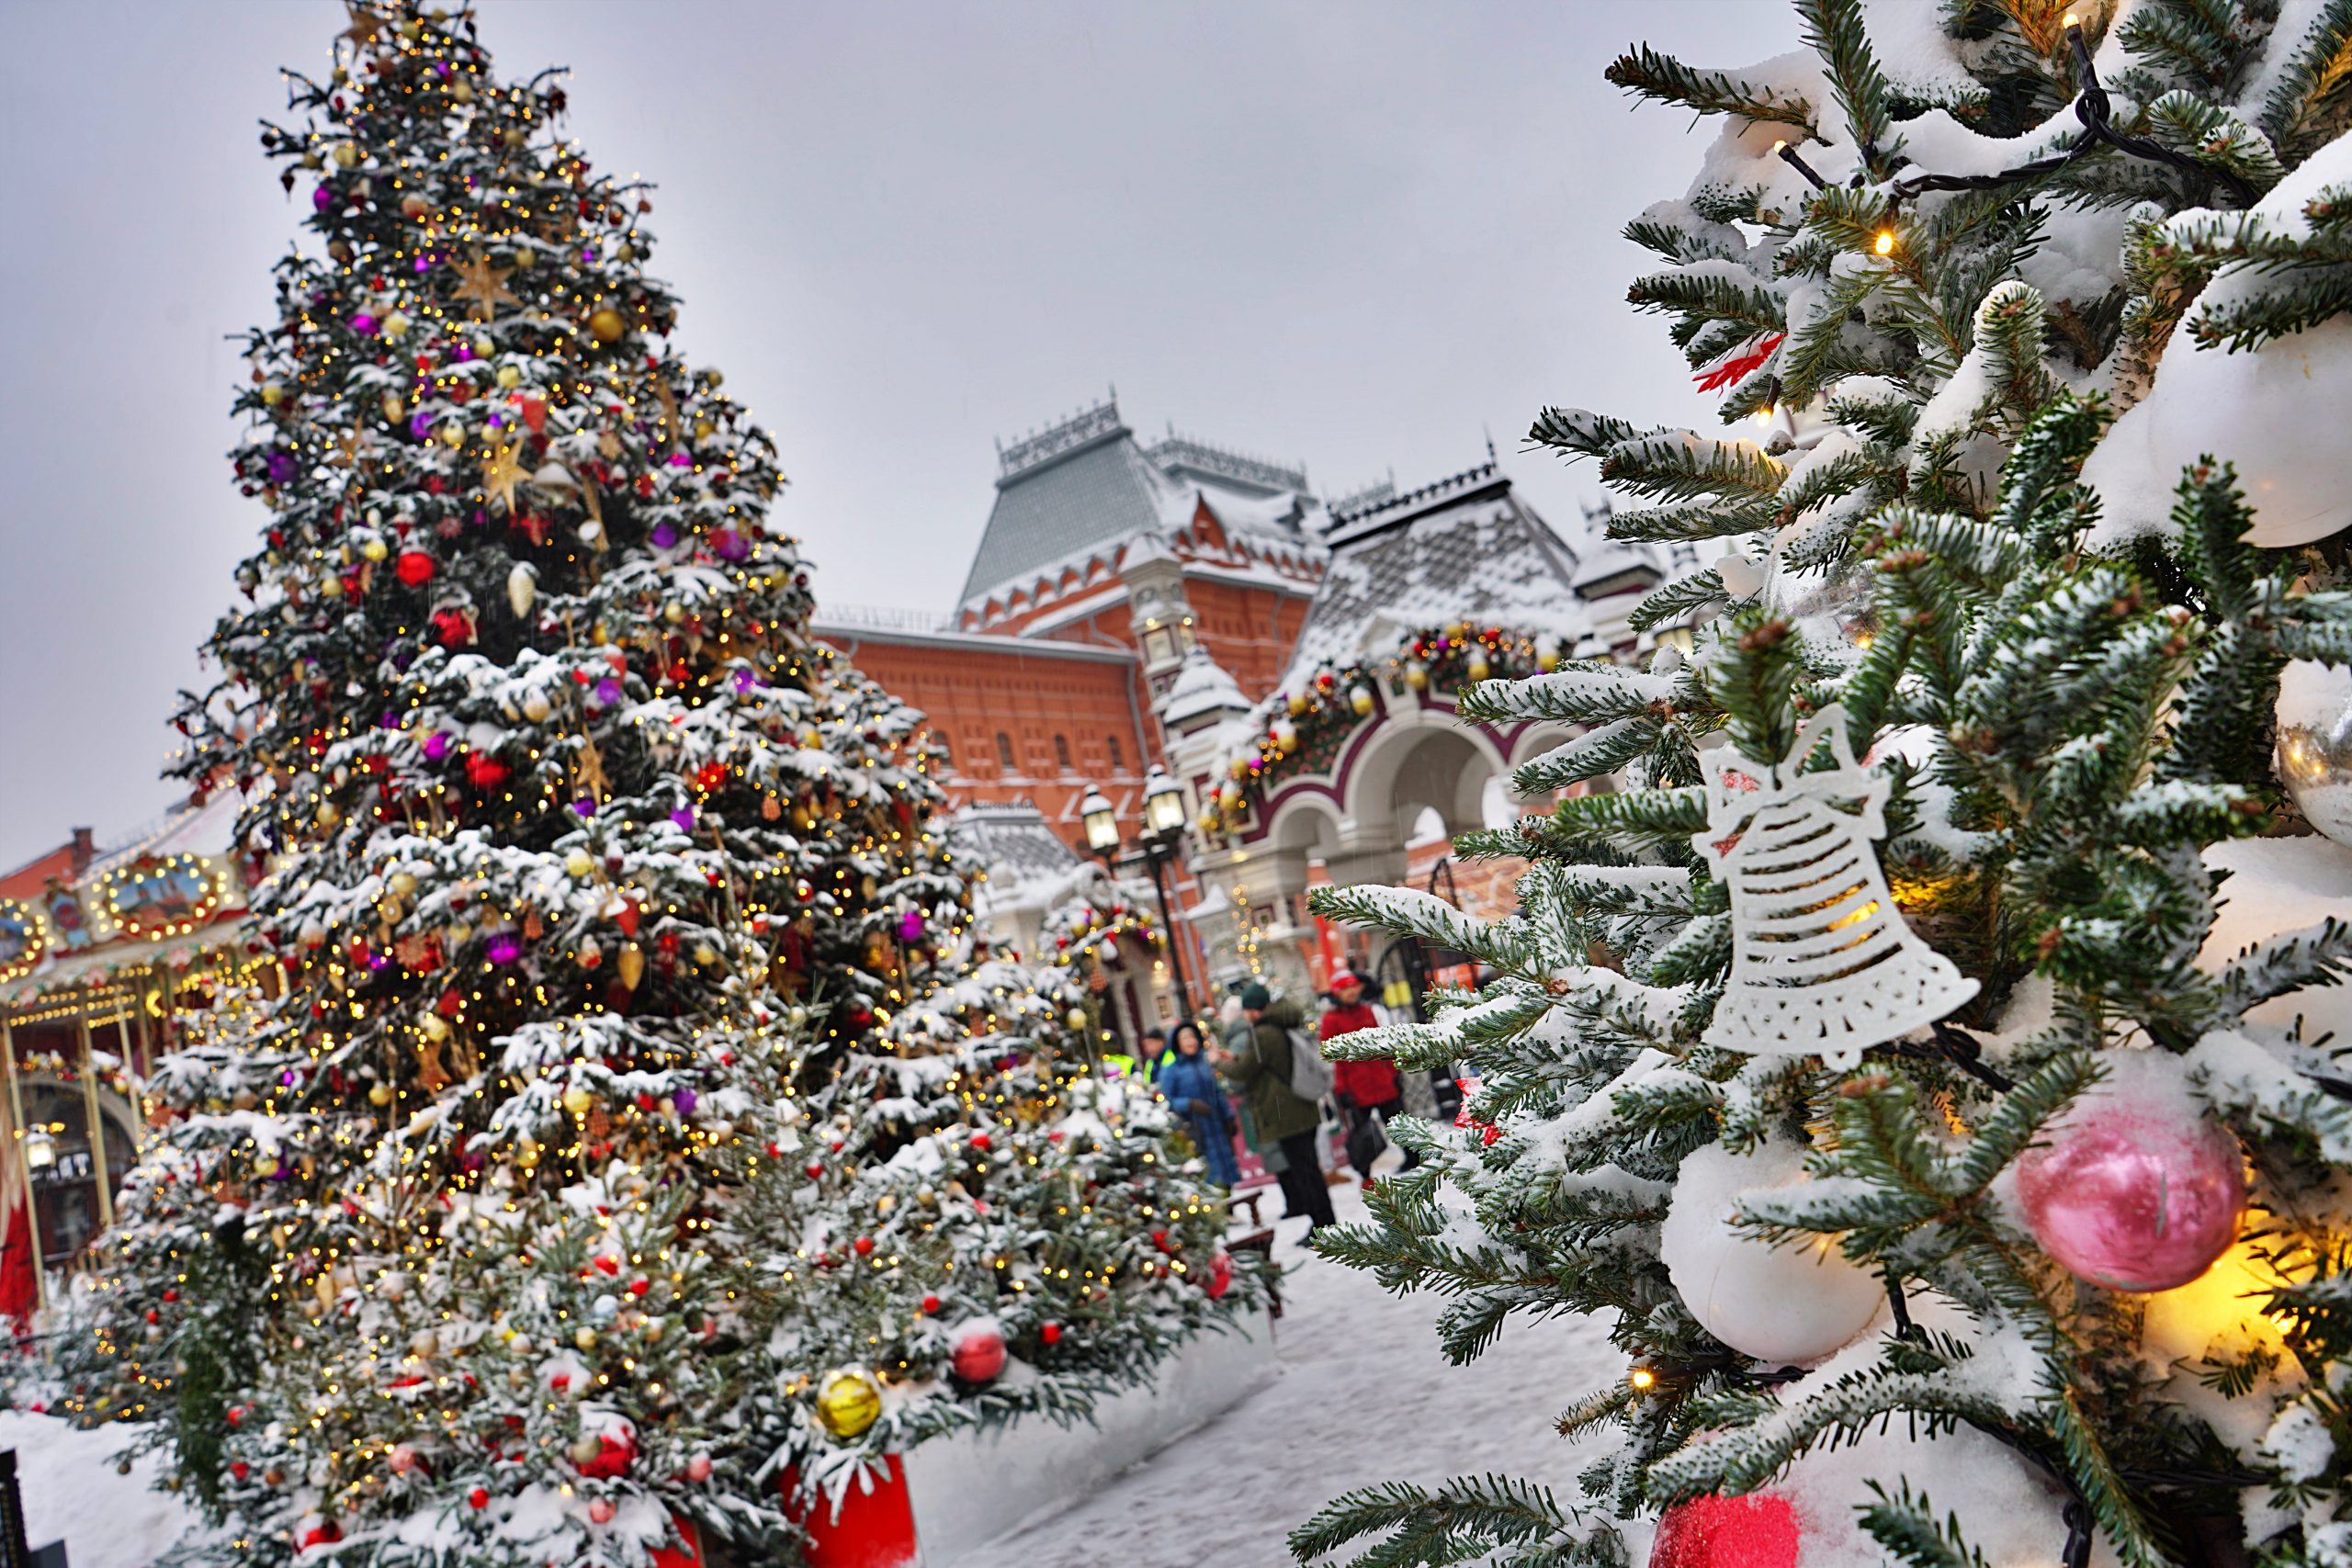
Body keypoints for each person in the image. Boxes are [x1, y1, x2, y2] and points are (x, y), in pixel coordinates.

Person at [1213, 982, 1337, 1235]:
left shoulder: (1262, 1034)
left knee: (1305, 1172)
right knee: (1310, 1169)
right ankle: (1324, 1221)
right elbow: (1262, 1064)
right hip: (1301, 1107)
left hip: (1285, 1114)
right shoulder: (1280, 1026)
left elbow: (1246, 1071)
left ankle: (1322, 1226)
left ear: (1252, 1010)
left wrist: (1220, 1064)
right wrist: (1236, 1059)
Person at [1321, 969, 1418, 1187]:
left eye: (1353, 987)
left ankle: (1414, 1158)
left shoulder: (1367, 1011)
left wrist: (1393, 1072)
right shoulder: (1331, 1020)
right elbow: (1335, 1060)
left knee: (1397, 1124)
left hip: (1381, 1080)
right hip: (1356, 1087)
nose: (1351, 992)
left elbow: (1381, 1044)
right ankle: (1365, 1174)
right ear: (1337, 992)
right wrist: (1342, 1089)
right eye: (1346, 989)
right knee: (1362, 1136)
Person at [1155, 1021, 1238, 1186]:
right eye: (1185, 1038)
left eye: (1192, 1037)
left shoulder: (1204, 1065)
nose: (1190, 1041)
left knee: (1225, 1174)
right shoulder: (1171, 1070)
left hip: (1216, 1126)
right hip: (1194, 1129)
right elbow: (1166, 1101)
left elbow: (1217, 1092)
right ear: (1177, 1043)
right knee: (1206, 1174)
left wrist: (1228, 1116)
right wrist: (1189, 1104)